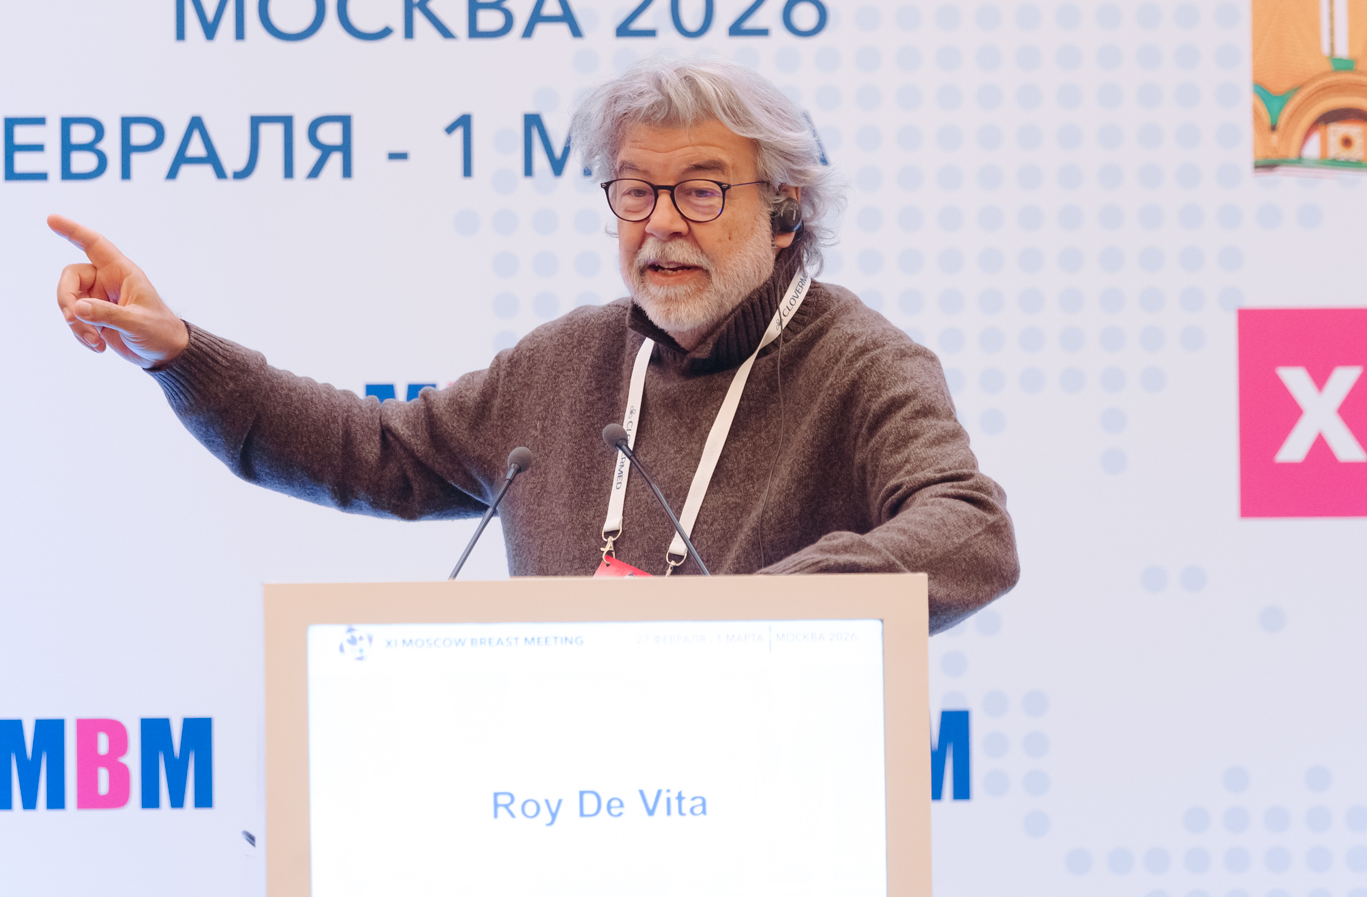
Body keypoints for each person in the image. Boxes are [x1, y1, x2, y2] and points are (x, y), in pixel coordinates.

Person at [49, 57, 1017, 628]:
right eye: (635, 190)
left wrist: (752, 620)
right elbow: (371, 451)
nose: (660, 221)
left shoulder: (860, 362)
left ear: (785, 211)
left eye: (700, 189)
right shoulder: (568, 363)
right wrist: (178, 351)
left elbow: (971, 529)